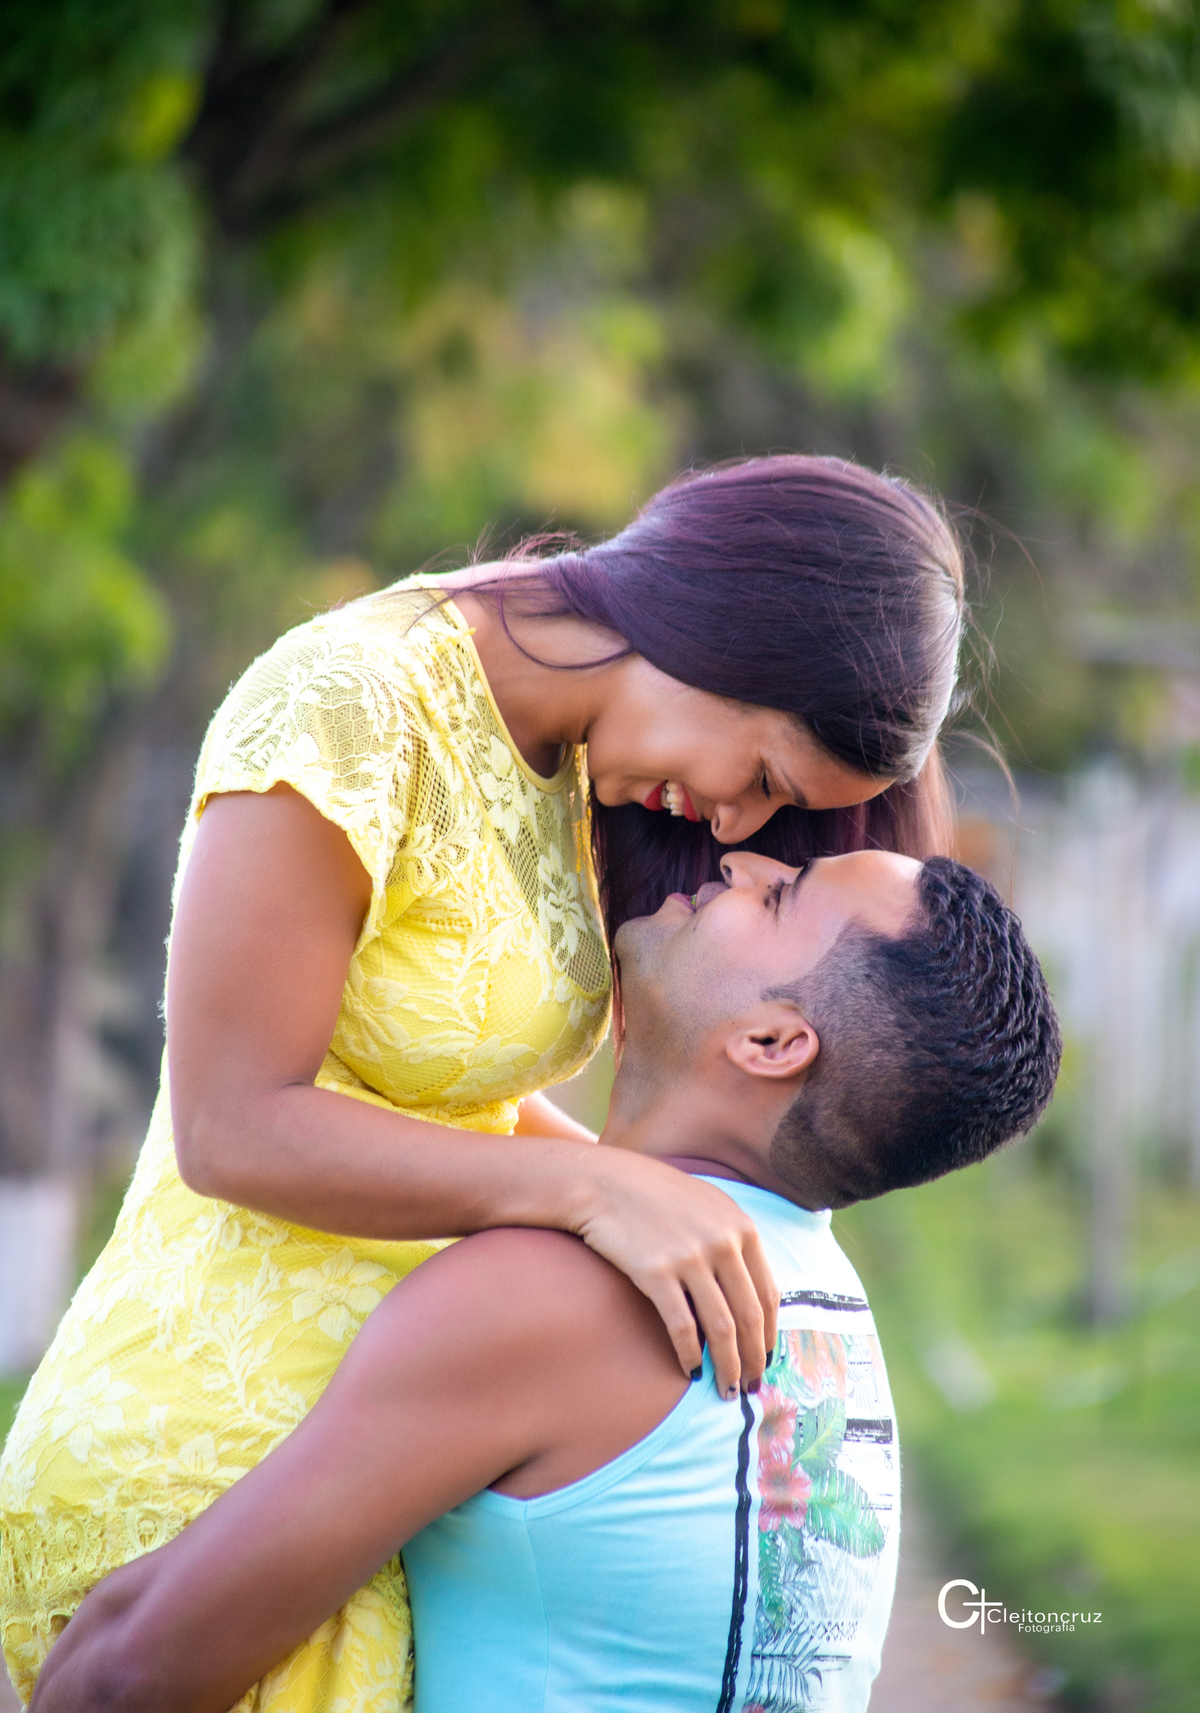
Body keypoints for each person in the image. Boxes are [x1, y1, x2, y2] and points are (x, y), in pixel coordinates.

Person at [0, 455, 966, 1709]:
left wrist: (636, 1198)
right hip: (209, 1459)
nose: (734, 829)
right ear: (739, 637)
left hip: (388, 1474)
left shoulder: (578, 757)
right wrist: (590, 1190)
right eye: (769, 781)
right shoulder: (352, 701)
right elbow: (229, 1126)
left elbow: (432, 1089)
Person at [28, 848, 1061, 1713]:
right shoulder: (827, 1302)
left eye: (779, 895)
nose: (739, 863)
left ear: (772, 1042)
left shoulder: (557, 1302)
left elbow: (121, 1676)